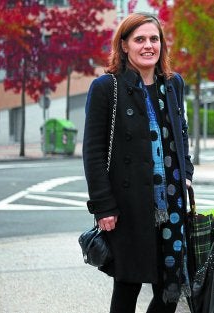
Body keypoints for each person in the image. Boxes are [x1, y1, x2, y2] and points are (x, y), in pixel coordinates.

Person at [82, 13, 194, 313]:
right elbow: (93, 152)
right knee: (127, 287)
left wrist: (187, 174)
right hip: (129, 205)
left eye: (154, 39)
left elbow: (180, 134)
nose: (148, 46)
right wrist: (103, 206)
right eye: (140, 39)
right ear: (125, 45)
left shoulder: (172, 84)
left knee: (170, 290)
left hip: (170, 203)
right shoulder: (107, 87)